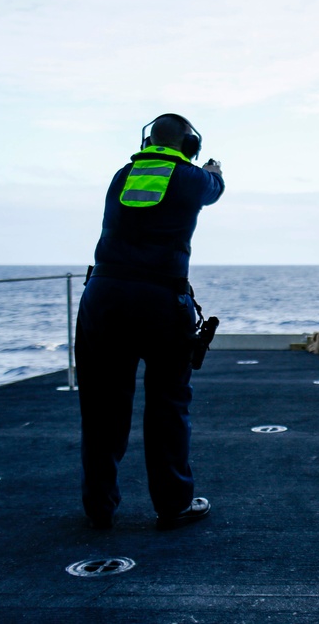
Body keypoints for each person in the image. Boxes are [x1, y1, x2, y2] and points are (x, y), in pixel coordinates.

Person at [75, 113, 224, 530]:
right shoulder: (194, 179)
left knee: (102, 408)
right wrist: (212, 170)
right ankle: (173, 504)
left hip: (103, 298)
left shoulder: (122, 176)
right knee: (167, 406)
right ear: (190, 145)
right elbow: (215, 188)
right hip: (160, 301)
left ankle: (98, 506)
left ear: (147, 141)